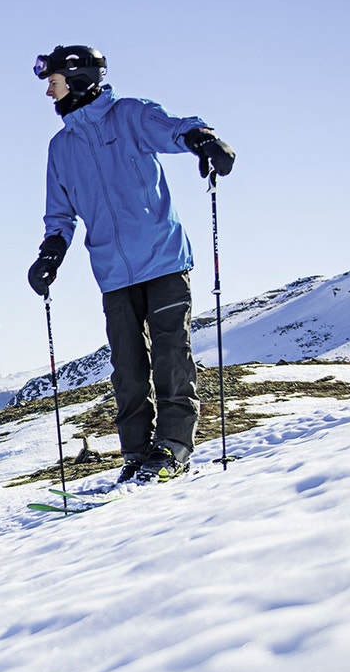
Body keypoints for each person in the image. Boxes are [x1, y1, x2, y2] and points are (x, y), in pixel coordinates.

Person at [25, 45, 236, 484]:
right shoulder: (61, 147)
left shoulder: (130, 115)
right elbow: (60, 214)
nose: (48, 91)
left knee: (170, 357)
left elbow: (176, 130)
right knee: (127, 368)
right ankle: (137, 454)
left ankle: (174, 447)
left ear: (78, 77)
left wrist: (205, 140)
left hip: (162, 260)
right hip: (113, 272)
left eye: (53, 80)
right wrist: (50, 254)